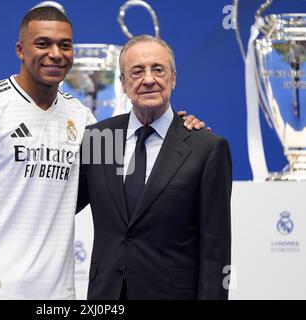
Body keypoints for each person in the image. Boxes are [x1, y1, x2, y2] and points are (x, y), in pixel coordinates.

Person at [0, 7, 204, 300]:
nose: (55, 53)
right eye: (43, 44)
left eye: (65, 45)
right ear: (20, 50)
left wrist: (177, 128)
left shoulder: (85, 120)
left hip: (58, 296)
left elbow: (122, 186)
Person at [77, 35, 232, 300]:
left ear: (173, 78)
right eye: (137, 71)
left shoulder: (205, 147)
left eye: (158, 69)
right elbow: (62, 204)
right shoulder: (101, 138)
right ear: (123, 83)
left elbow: (215, 253)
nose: (148, 79)